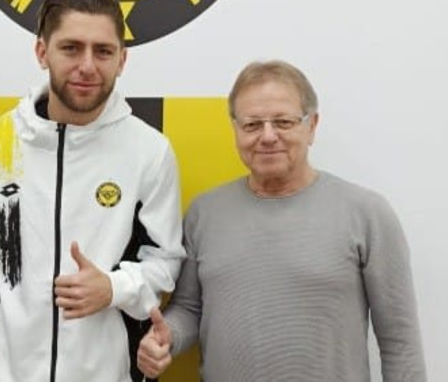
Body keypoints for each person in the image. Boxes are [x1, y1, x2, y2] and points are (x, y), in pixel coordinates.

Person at [137, 60, 427, 381]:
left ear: (312, 125)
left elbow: (400, 343)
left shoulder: (367, 214)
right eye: (252, 124)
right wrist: (167, 337)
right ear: (235, 129)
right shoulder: (204, 213)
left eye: (283, 122)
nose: (268, 136)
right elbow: (189, 309)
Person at [0, 0, 185, 382]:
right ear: (42, 52)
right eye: (71, 48)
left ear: (122, 60)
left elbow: (166, 260)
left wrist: (114, 287)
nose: (87, 66)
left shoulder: (149, 150)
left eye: (103, 51)